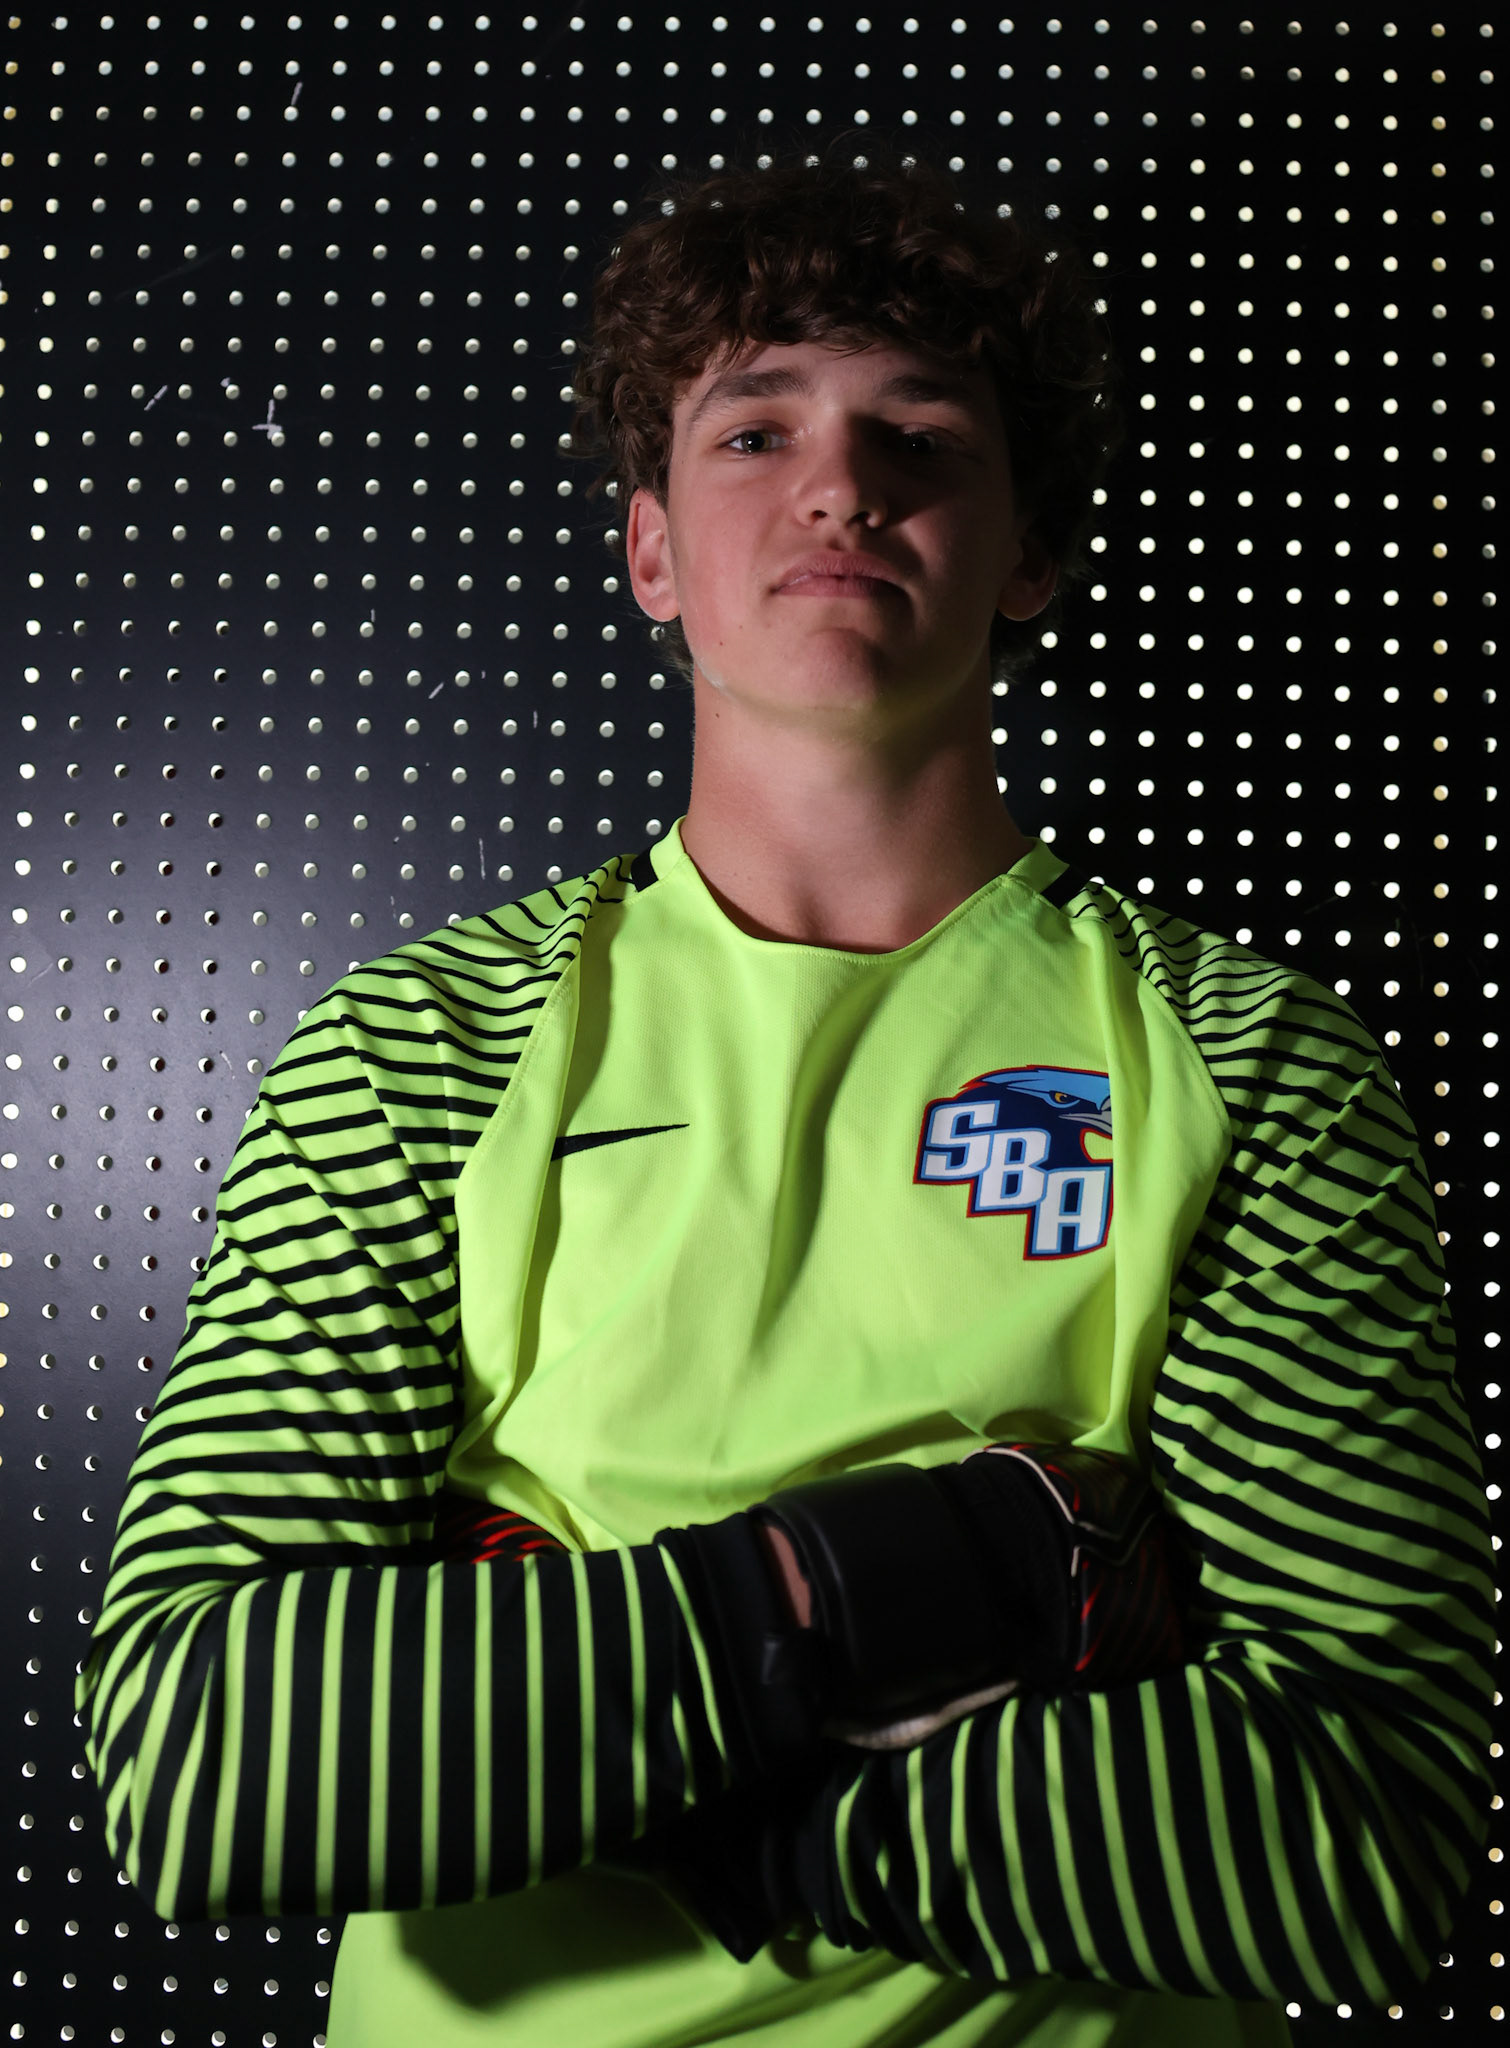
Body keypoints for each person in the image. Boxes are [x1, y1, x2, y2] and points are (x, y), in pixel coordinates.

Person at [77, 136, 1496, 2048]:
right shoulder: (420, 1046)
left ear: (1033, 557)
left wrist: (665, 1766)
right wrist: (951, 1576)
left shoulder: (1250, 1068)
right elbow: (210, 1754)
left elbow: (1365, 1833)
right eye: (754, 432)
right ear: (650, 549)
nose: (841, 480)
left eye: (924, 433)